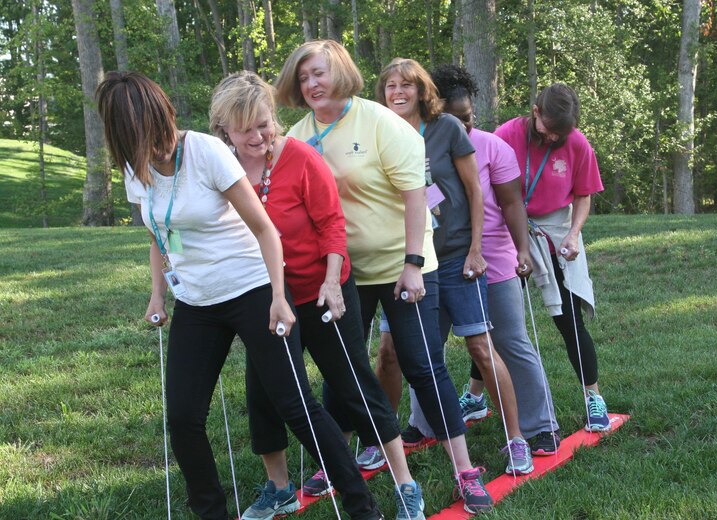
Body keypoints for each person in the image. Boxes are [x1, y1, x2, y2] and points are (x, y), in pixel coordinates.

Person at [95, 71, 381, 520]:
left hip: (252, 289)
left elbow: (265, 228)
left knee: (295, 404)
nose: (161, 145)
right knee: (184, 416)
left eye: (161, 130)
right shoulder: (136, 168)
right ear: (126, 138)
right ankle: (211, 512)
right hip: (197, 300)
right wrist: (157, 295)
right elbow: (159, 232)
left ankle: (362, 506)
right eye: (146, 138)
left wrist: (279, 296)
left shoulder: (205, 152)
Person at [276, 40, 493, 515]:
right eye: (303, 77)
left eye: (320, 73)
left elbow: (416, 194)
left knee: (421, 365)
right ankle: (336, 460)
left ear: (342, 74)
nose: (311, 84)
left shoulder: (379, 121)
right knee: (342, 367)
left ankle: (465, 469)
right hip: (342, 272)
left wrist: (414, 261)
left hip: (403, 264)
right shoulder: (295, 135)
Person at [209, 70, 423, 520]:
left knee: (352, 385)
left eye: (265, 123)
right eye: (246, 127)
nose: (259, 135)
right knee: (265, 393)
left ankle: (405, 483)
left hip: (322, 290)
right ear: (223, 127)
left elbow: (332, 225)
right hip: (266, 300)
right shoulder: (221, 169)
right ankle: (279, 487)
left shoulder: (301, 158)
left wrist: (331, 281)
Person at [372, 57, 534, 476]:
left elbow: (476, 193)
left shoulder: (446, 128)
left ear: (421, 89)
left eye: (406, 84)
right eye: (390, 85)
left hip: (455, 257)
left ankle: (515, 439)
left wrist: (477, 249)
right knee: (390, 353)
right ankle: (379, 440)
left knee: (480, 348)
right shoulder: (377, 131)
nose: (398, 92)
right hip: (404, 261)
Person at [427, 64, 562, 454]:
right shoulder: (416, 144)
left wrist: (522, 249)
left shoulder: (493, 147)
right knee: (424, 346)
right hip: (436, 260)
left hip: (493, 258)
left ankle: (541, 426)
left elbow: (511, 202)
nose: (462, 128)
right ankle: (423, 424)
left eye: (467, 119)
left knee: (509, 340)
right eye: (453, 120)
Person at [494, 83, 612, 432]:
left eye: (561, 133)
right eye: (548, 130)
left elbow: (584, 195)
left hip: (554, 228)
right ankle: (474, 395)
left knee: (568, 318)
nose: (552, 138)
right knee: (501, 320)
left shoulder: (576, 142)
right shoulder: (506, 135)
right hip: (508, 228)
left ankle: (593, 397)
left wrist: (574, 234)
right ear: (535, 113)